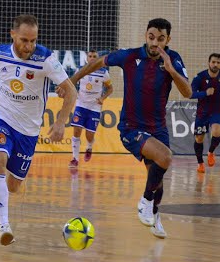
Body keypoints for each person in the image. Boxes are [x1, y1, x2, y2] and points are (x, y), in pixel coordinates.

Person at [0, 14, 77, 246]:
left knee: (14, 186)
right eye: (24, 40)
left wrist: (60, 122)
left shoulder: (45, 58)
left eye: (33, 40)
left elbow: (71, 91)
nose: (29, 46)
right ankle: (4, 226)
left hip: (28, 130)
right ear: (13, 35)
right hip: (1, 116)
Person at [60, 18, 192, 239]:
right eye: (151, 37)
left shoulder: (174, 59)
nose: (155, 43)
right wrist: (72, 80)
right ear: (145, 36)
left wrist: (171, 70)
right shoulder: (130, 56)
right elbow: (98, 63)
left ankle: (154, 214)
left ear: (168, 39)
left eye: (160, 39)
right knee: (166, 157)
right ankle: (145, 202)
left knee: (156, 178)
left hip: (158, 129)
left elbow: (187, 92)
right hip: (131, 128)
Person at [68, 49, 113, 168]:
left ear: (98, 59)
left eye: (95, 56)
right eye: (90, 56)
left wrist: (102, 98)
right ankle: (74, 159)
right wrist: (74, 93)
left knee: (89, 135)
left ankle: (89, 147)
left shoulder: (103, 73)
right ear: (87, 58)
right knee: (76, 130)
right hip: (81, 104)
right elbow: (72, 83)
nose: (92, 58)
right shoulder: (80, 70)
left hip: (94, 107)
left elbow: (110, 89)